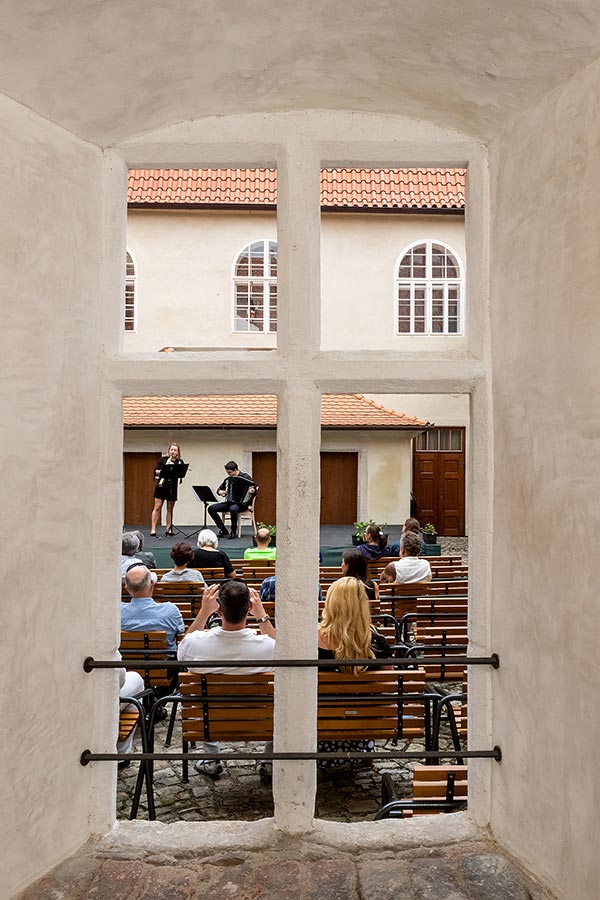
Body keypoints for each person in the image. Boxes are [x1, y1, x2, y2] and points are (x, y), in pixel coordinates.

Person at [178, 580, 276, 778]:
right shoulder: (267, 647)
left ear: (218, 610)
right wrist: (262, 616)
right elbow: (286, 654)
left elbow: (182, 650)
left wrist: (204, 612)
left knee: (205, 699)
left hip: (211, 722)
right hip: (260, 721)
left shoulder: (197, 644)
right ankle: (269, 760)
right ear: (249, 608)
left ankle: (211, 758)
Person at [317, 577, 392, 766]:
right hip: (363, 719)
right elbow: (390, 685)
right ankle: (363, 748)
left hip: (321, 721)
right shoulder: (376, 642)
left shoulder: (312, 639)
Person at [121, 564, 184, 653]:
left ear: (126, 587)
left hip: (127, 665)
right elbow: (181, 634)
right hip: (166, 665)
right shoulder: (170, 611)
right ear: (152, 583)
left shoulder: (117, 613)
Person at [208, 460, 256, 539]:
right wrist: (221, 492)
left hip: (242, 504)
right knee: (211, 508)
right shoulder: (228, 479)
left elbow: (254, 487)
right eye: (227, 472)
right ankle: (223, 529)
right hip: (229, 502)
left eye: (230, 472)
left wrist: (252, 490)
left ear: (236, 469)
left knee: (233, 508)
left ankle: (233, 532)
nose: (228, 474)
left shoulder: (245, 477)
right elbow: (219, 489)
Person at [151, 443, 186, 538]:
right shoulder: (163, 459)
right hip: (161, 485)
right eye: (171, 450)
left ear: (178, 452)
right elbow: (156, 471)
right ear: (168, 451)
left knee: (170, 509)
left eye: (175, 450)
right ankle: (153, 529)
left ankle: (168, 528)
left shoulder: (179, 462)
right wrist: (165, 468)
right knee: (157, 507)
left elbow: (181, 473)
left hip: (172, 486)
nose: (173, 452)